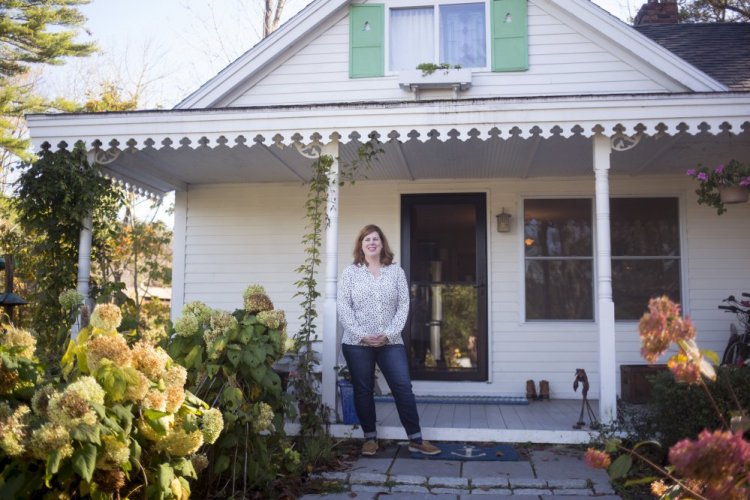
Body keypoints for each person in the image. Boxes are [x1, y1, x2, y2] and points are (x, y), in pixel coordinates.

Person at [337, 224, 441, 456]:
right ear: (361, 246)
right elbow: (343, 307)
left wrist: (390, 333)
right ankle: (370, 439)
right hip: (357, 342)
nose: (372, 243)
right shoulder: (350, 273)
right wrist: (362, 334)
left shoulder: (396, 272)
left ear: (382, 243)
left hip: (391, 342)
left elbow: (404, 304)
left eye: (375, 239)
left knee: (403, 387)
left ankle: (415, 438)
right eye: (367, 240)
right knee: (363, 390)